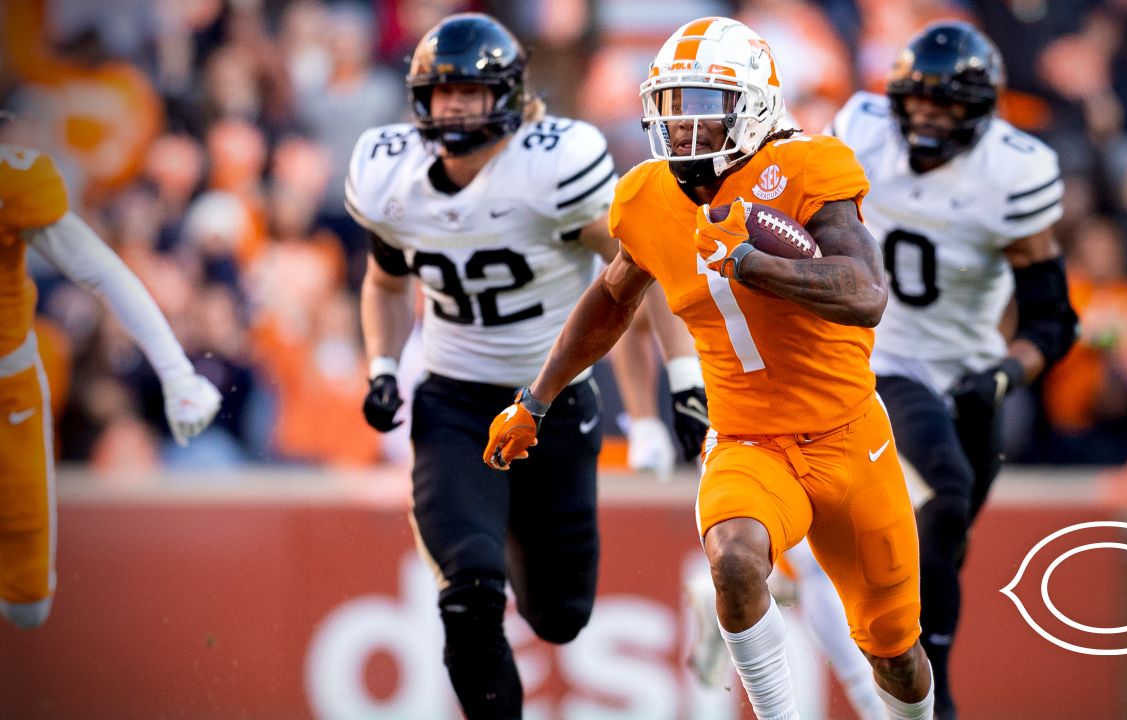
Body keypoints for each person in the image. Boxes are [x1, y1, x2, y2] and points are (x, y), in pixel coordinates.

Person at [486, 16, 934, 720]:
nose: (686, 128)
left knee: (896, 655)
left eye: (705, 107)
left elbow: (867, 294)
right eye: (674, 107)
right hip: (747, 441)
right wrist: (534, 400)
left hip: (850, 441)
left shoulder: (810, 168)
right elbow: (609, 303)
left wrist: (756, 265)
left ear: (755, 105)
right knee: (732, 558)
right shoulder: (646, 197)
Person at [721, 21, 1077, 720]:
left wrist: (1005, 374)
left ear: (979, 112)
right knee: (939, 497)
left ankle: (810, 592)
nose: (926, 119)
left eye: (945, 107)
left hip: (968, 372)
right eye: (916, 103)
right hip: (879, 357)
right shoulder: (860, 129)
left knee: (944, 536)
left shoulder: (1014, 171)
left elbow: (1053, 318)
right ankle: (926, 696)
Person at [347, 14, 698, 719]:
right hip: (453, 403)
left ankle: (494, 525)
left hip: (553, 403)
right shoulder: (391, 174)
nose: (454, 107)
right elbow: (385, 281)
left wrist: (681, 381)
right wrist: (382, 364)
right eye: (442, 92)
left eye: (470, 93)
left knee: (561, 616)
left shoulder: (554, 167)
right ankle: (477, 537)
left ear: (507, 95)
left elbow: (644, 270)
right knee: (469, 596)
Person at [0, 135, 222, 629]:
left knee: (28, 605)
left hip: (7, 394)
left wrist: (176, 373)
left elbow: (102, 272)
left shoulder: (12, 176)